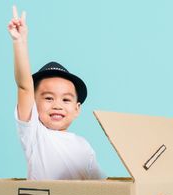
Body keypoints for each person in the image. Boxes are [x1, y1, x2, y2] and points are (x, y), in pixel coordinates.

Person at [7, 6, 104, 180]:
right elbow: (24, 87)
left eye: (66, 100)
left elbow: (102, 187)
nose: (57, 105)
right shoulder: (35, 135)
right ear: (34, 105)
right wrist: (20, 42)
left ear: (77, 108)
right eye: (49, 98)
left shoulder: (84, 147)